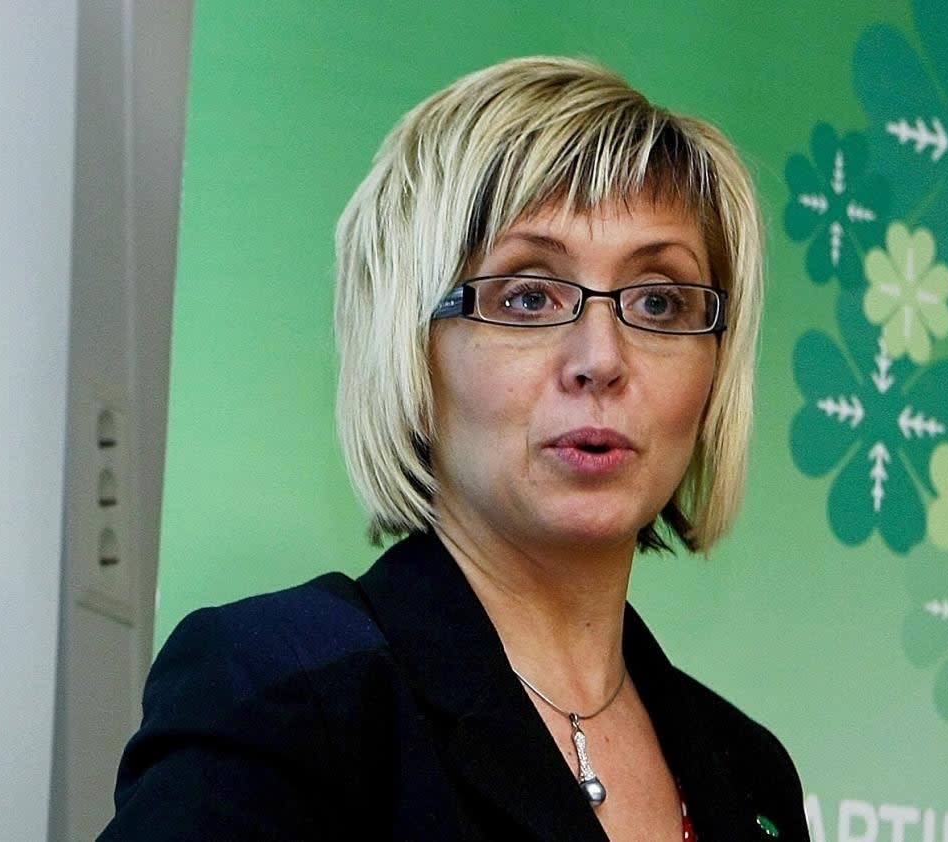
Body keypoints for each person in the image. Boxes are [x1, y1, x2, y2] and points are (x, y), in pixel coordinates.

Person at [100, 56, 807, 841]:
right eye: (529, 296)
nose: (602, 359)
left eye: (660, 302)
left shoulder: (751, 774)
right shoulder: (281, 693)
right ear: (411, 346)